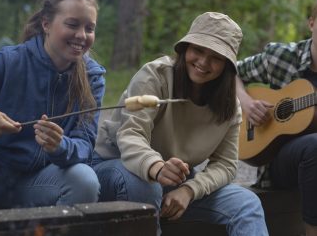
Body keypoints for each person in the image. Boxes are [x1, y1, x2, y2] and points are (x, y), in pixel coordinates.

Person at [93, 12, 269, 235]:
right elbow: (131, 135)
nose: (204, 62)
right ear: (185, 48)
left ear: (227, 65)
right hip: (118, 167)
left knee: (247, 204)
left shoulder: (230, 106)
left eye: (216, 57)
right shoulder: (155, 76)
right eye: (198, 50)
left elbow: (226, 164)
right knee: (146, 187)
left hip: (172, 181)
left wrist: (189, 190)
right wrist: (157, 168)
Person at [0, 0, 105, 211]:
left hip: (39, 182)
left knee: (85, 180)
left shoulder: (93, 78)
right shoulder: (8, 60)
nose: (81, 35)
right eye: (72, 24)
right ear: (46, 24)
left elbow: (85, 145)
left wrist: (60, 146)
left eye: (89, 28)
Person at [236, 0, 317, 236]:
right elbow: (229, 70)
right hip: (281, 163)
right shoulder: (281, 56)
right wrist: (246, 102)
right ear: (311, 23)